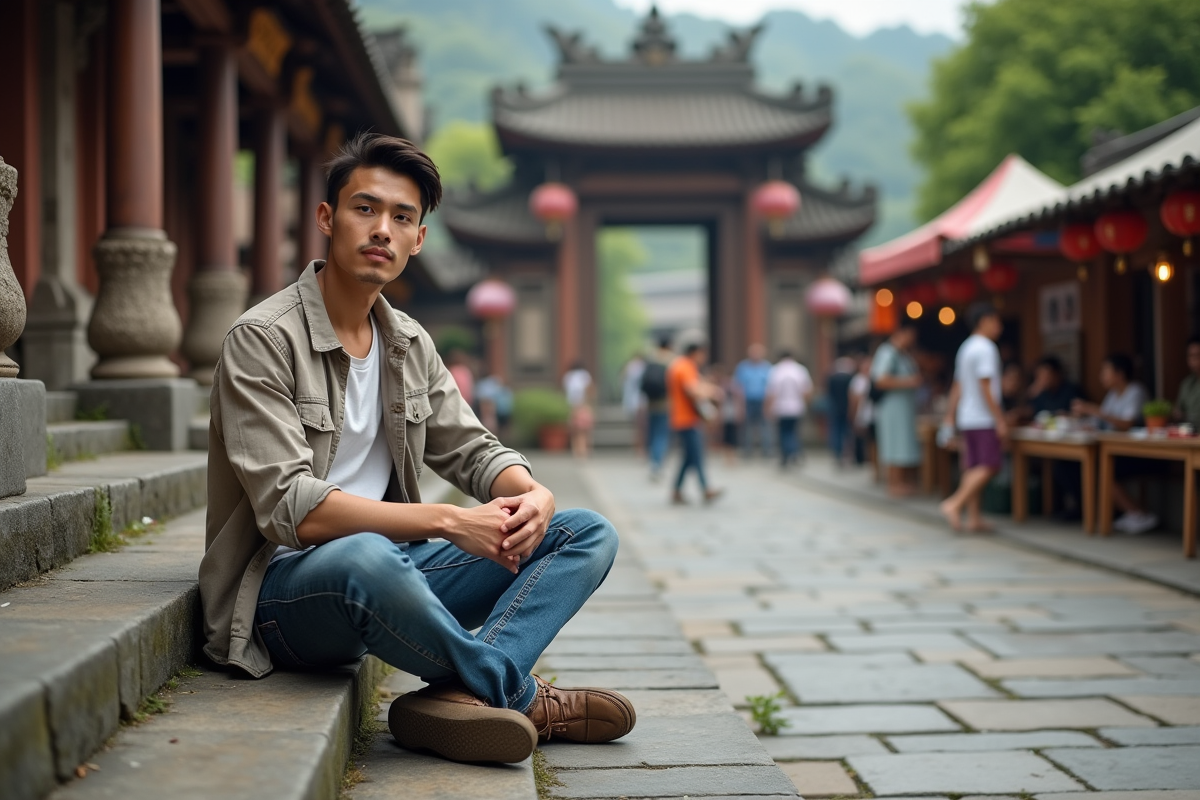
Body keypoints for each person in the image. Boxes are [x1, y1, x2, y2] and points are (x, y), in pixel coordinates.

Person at [200, 133, 635, 767]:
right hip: (281, 594)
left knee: (584, 532)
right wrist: (449, 520)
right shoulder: (262, 339)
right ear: (327, 218)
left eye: (401, 217)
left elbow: (473, 450)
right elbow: (292, 508)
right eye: (364, 209)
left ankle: (458, 694)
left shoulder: (407, 341)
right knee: (371, 557)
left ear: (418, 240)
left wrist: (531, 491)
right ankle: (517, 691)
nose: (382, 230)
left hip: (396, 575)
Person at [940, 304, 1007, 533]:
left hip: (967, 416)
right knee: (989, 465)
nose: (999, 326)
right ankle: (955, 503)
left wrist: (950, 416)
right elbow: (985, 385)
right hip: (982, 417)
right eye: (996, 321)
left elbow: (957, 385)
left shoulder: (966, 348)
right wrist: (1000, 419)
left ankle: (974, 518)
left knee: (973, 467)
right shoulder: (986, 348)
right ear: (984, 320)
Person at [1072, 354, 1156, 534]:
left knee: (1103, 468)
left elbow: (1127, 423)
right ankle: (1126, 513)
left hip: (1141, 452)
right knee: (1089, 464)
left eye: (1106, 371)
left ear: (1120, 373)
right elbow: (1103, 422)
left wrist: (1094, 410)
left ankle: (1137, 513)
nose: (1102, 376)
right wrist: (1089, 423)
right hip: (1116, 450)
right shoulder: (1112, 394)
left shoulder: (1136, 391)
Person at [871, 324, 923, 496]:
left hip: (903, 407)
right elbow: (881, 380)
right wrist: (909, 382)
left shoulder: (903, 354)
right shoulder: (888, 352)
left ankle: (902, 482)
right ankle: (893, 482)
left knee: (902, 442)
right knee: (894, 442)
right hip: (892, 407)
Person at [667, 342, 722, 504]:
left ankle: (676, 490)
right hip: (686, 419)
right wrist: (713, 391)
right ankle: (706, 489)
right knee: (696, 455)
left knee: (689, 456)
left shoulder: (678, 365)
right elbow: (692, 389)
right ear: (695, 353)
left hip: (681, 418)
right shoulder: (685, 366)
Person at [766, 352, 814, 468]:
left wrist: (768, 408)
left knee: (783, 432)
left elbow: (772, 392)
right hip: (797, 406)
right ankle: (794, 452)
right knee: (793, 431)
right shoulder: (800, 370)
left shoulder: (776, 370)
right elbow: (807, 391)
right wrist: (806, 404)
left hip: (781, 407)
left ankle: (787, 454)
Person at [641, 337, 673, 479]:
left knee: (652, 433)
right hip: (665, 403)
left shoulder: (650, 359)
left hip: (650, 403)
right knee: (662, 434)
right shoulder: (671, 360)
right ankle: (657, 463)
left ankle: (653, 461)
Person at [734, 343, 773, 458]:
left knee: (765, 427)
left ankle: (767, 451)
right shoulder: (743, 367)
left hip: (763, 401)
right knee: (747, 427)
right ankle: (747, 451)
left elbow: (771, 387)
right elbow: (738, 387)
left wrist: (769, 405)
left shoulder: (767, 367)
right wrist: (740, 405)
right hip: (748, 401)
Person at [827, 356, 856, 466]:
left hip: (835, 408)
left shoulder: (832, 378)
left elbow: (829, 393)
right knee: (846, 431)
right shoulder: (850, 378)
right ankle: (847, 453)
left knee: (836, 431)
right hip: (847, 408)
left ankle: (837, 452)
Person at [563, 360, 595, 459]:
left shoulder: (568, 376)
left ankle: (576, 450)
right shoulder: (584, 375)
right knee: (584, 430)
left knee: (575, 431)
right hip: (583, 405)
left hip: (573, 406)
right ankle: (584, 450)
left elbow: (566, 391)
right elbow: (589, 389)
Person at [848, 354, 874, 467]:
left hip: (873, 413)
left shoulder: (874, 378)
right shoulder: (858, 380)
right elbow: (854, 399)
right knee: (861, 436)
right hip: (862, 412)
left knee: (872, 438)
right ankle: (860, 458)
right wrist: (854, 413)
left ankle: (870, 459)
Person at [621, 353, 647, 455]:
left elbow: (624, 384)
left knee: (637, 427)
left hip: (632, 401)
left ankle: (638, 448)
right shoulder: (642, 367)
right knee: (642, 427)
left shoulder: (629, 368)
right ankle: (640, 448)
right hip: (641, 401)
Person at [475, 372, 513, 440]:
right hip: (495, 412)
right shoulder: (489, 388)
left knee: (502, 428)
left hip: (503, 412)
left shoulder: (503, 390)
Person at [1174, 336, 1200, 427]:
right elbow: (1178, 412)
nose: (1194, 360)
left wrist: (1186, 416)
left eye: (1197, 355)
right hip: (1189, 436)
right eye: (1190, 356)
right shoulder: (1187, 383)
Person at [1000, 361, 1027, 429]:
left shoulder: (1017, 397)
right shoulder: (994, 397)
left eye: (1017, 380)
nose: (1014, 383)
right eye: (1011, 379)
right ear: (1002, 378)